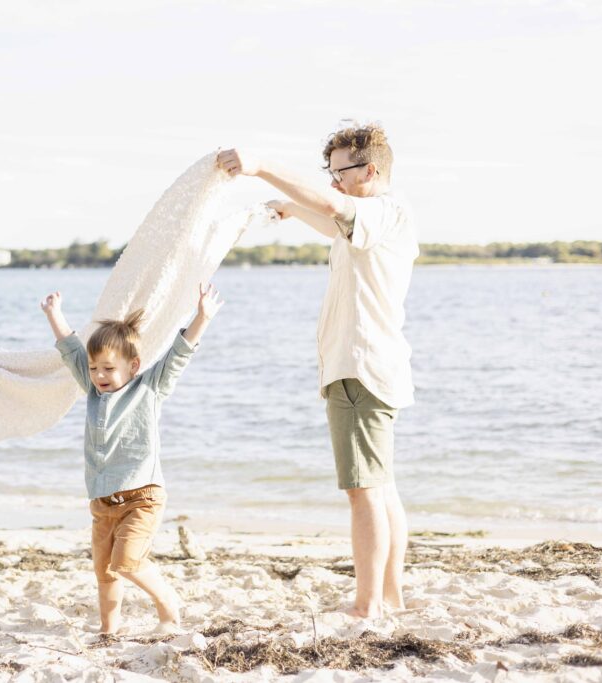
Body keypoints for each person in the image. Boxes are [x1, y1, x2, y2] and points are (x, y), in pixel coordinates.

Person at [217, 123, 419, 619]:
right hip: (373, 367)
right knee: (382, 486)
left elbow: (334, 210)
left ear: (369, 170)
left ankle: (367, 604)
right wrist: (288, 209)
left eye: (340, 173)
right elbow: (329, 219)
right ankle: (389, 597)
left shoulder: (381, 211)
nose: (333, 183)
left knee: (363, 491)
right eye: (327, 174)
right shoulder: (382, 220)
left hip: (360, 369)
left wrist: (261, 166)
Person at [40, 284, 224, 635]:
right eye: (95, 369)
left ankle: (168, 604)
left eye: (108, 368)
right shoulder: (94, 390)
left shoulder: (149, 389)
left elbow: (179, 354)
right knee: (104, 570)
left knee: (126, 562)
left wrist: (201, 317)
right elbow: (72, 352)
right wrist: (55, 315)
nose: (99, 376)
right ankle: (109, 629)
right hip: (102, 501)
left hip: (142, 497)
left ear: (133, 365)